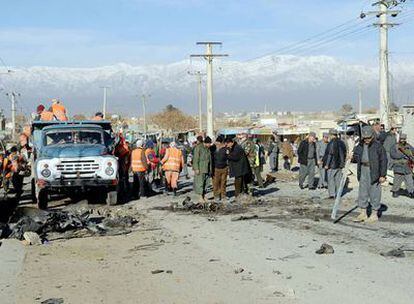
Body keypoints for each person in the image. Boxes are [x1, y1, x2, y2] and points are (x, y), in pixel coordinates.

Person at [352, 126, 387, 223]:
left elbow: (383, 161)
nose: (367, 140)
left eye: (369, 138)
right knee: (362, 192)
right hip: (363, 170)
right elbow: (356, 157)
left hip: (374, 172)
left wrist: (383, 175)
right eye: (365, 138)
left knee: (374, 193)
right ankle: (363, 213)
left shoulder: (378, 146)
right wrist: (351, 157)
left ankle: (374, 214)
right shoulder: (360, 146)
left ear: (372, 136)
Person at [323, 129, 347, 198]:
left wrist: (327, 164)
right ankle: (338, 194)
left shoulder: (332, 143)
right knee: (338, 180)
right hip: (340, 164)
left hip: (332, 165)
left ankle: (332, 194)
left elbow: (330, 154)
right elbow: (344, 153)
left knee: (330, 179)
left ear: (331, 135)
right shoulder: (342, 142)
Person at [390, 134, 414, 198]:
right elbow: (393, 155)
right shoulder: (395, 146)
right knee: (397, 180)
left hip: (407, 167)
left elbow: (413, 152)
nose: (402, 140)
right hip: (398, 166)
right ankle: (395, 191)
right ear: (399, 139)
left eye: (404, 139)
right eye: (401, 139)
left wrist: (411, 157)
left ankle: (411, 192)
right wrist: (402, 155)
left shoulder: (409, 146)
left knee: (409, 181)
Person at [192, 136, 212, 202]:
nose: (210, 145)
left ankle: (204, 196)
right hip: (200, 168)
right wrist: (196, 168)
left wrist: (210, 169)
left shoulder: (208, 149)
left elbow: (210, 159)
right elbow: (195, 159)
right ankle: (200, 197)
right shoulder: (198, 148)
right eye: (209, 143)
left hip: (207, 168)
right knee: (199, 183)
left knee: (206, 183)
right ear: (205, 143)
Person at [212, 136, 228, 201]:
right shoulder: (213, 148)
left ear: (221, 143)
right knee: (216, 183)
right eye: (216, 142)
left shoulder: (225, 149)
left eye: (218, 143)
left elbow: (228, 157)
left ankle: (223, 195)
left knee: (223, 182)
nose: (217, 144)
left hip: (224, 168)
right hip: (216, 168)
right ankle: (216, 196)